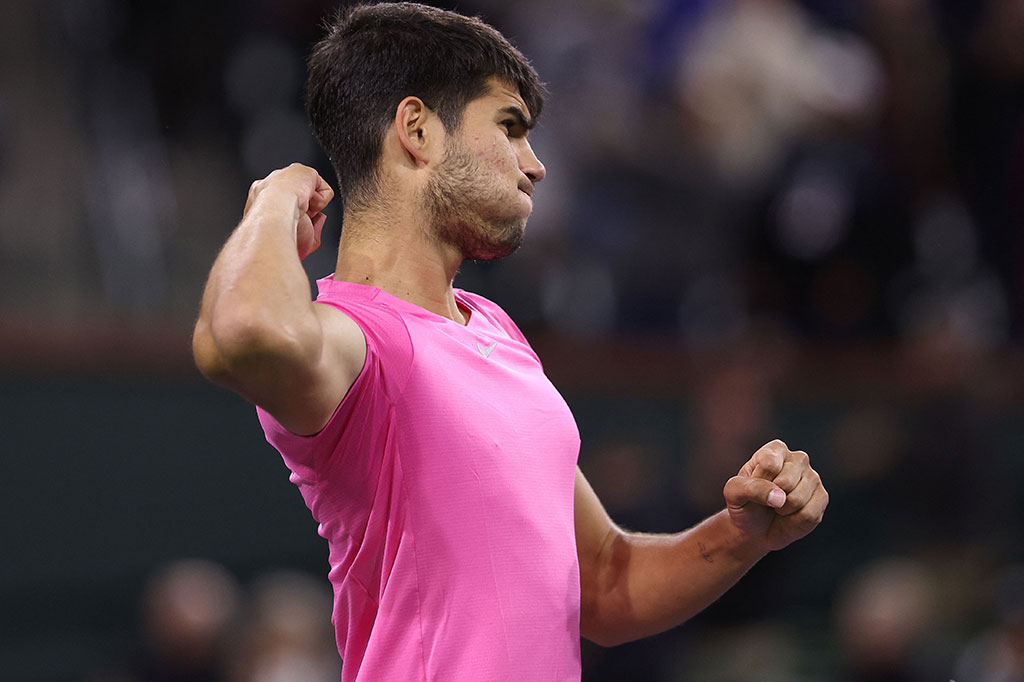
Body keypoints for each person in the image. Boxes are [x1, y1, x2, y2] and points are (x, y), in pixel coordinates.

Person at [192, 3, 829, 680]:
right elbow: (239, 332)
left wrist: (739, 536)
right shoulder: (356, 338)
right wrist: (274, 198)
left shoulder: (496, 331)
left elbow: (607, 587)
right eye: (510, 128)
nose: (536, 166)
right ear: (416, 130)